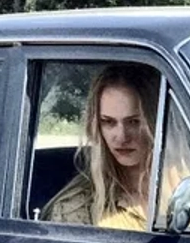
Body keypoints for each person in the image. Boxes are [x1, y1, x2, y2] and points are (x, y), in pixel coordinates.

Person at [41, 65, 159, 229]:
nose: (122, 137)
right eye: (108, 122)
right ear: (96, 126)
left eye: (134, 122)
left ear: (156, 122)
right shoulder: (75, 209)